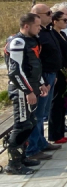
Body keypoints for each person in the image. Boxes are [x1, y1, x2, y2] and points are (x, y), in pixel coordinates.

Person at [4, 13, 44, 175]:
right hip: (21, 90)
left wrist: (40, 84)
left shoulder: (30, 40)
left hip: (31, 86)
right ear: (26, 26)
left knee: (31, 122)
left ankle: (22, 157)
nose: (39, 28)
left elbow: (33, 65)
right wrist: (27, 91)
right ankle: (13, 164)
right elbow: (15, 71)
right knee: (22, 125)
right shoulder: (18, 41)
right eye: (37, 26)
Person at [23, 4, 62, 162]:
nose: (51, 15)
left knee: (43, 113)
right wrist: (43, 80)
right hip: (42, 77)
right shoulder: (33, 37)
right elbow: (36, 61)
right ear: (36, 15)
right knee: (38, 115)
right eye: (48, 13)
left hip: (51, 74)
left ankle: (41, 142)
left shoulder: (46, 31)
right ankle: (33, 148)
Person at [47, 7, 67, 146]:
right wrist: (65, 68)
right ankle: (55, 133)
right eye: (64, 20)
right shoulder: (53, 35)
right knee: (56, 103)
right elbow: (58, 55)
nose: (66, 22)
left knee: (63, 103)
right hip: (60, 72)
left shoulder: (63, 33)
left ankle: (61, 130)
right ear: (55, 21)